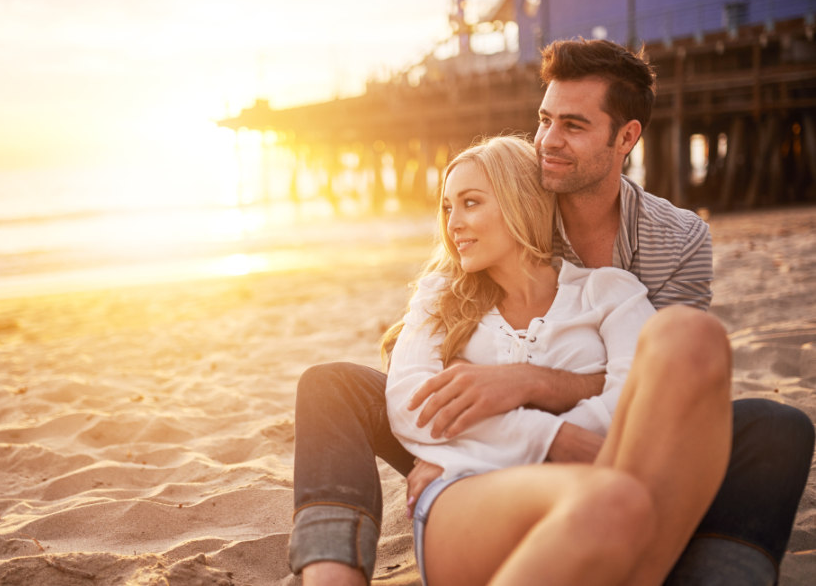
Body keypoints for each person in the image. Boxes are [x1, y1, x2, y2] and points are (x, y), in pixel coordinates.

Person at [290, 39, 815, 586]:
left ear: (627, 137)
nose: (548, 142)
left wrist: (523, 383)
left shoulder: (669, 246)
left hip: (604, 444)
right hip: (481, 440)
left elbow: (656, 388)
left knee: (777, 425)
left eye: (573, 125)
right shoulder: (495, 228)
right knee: (334, 386)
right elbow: (420, 375)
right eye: (544, 120)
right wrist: (473, 443)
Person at [385, 134, 730, 586]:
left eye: (470, 203)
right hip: (470, 495)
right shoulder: (439, 298)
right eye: (448, 208)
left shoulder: (608, 292)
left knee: (693, 334)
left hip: (603, 482)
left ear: (520, 201)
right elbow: (413, 405)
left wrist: (499, 421)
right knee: (613, 500)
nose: (454, 224)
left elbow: (633, 402)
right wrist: (551, 437)